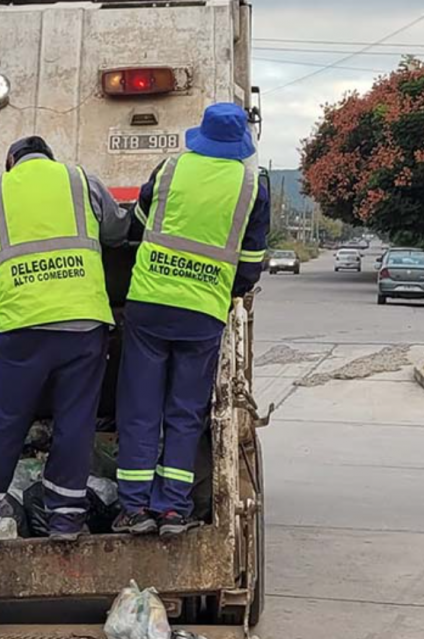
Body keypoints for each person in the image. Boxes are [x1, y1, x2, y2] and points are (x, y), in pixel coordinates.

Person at [0, 136, 128, 546]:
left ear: (11, 161)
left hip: (22, 327)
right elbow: (118, 229)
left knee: (4, 421)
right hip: (83, 326)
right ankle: (66, 520)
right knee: (75, 423)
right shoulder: (80, 181)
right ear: (50, 158)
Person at [114, 103, 270, 537]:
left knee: (140, 408)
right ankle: (172, 510)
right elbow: (251, 260)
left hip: (149, 303)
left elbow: (139, 223)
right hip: (202, 312)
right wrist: (227, 288)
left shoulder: (170, 169)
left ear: (201, 135)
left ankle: (134, 509)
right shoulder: (252, 185)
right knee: (185, 412)